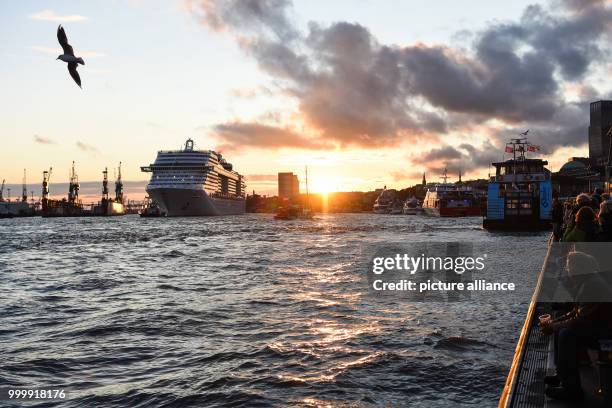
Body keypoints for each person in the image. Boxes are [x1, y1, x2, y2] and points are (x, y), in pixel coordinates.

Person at [541, 252, 612, 401]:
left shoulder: (592, 285)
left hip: (605, 331)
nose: (567, 270)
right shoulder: (587, 281)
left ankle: (572, 390)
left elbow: (580, 319)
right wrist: (555, 323)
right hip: (597, 325)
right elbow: (576, 311)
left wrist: (555, 326)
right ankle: (562, 374)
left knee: (567, 335)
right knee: (561, 328)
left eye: (569, 267)